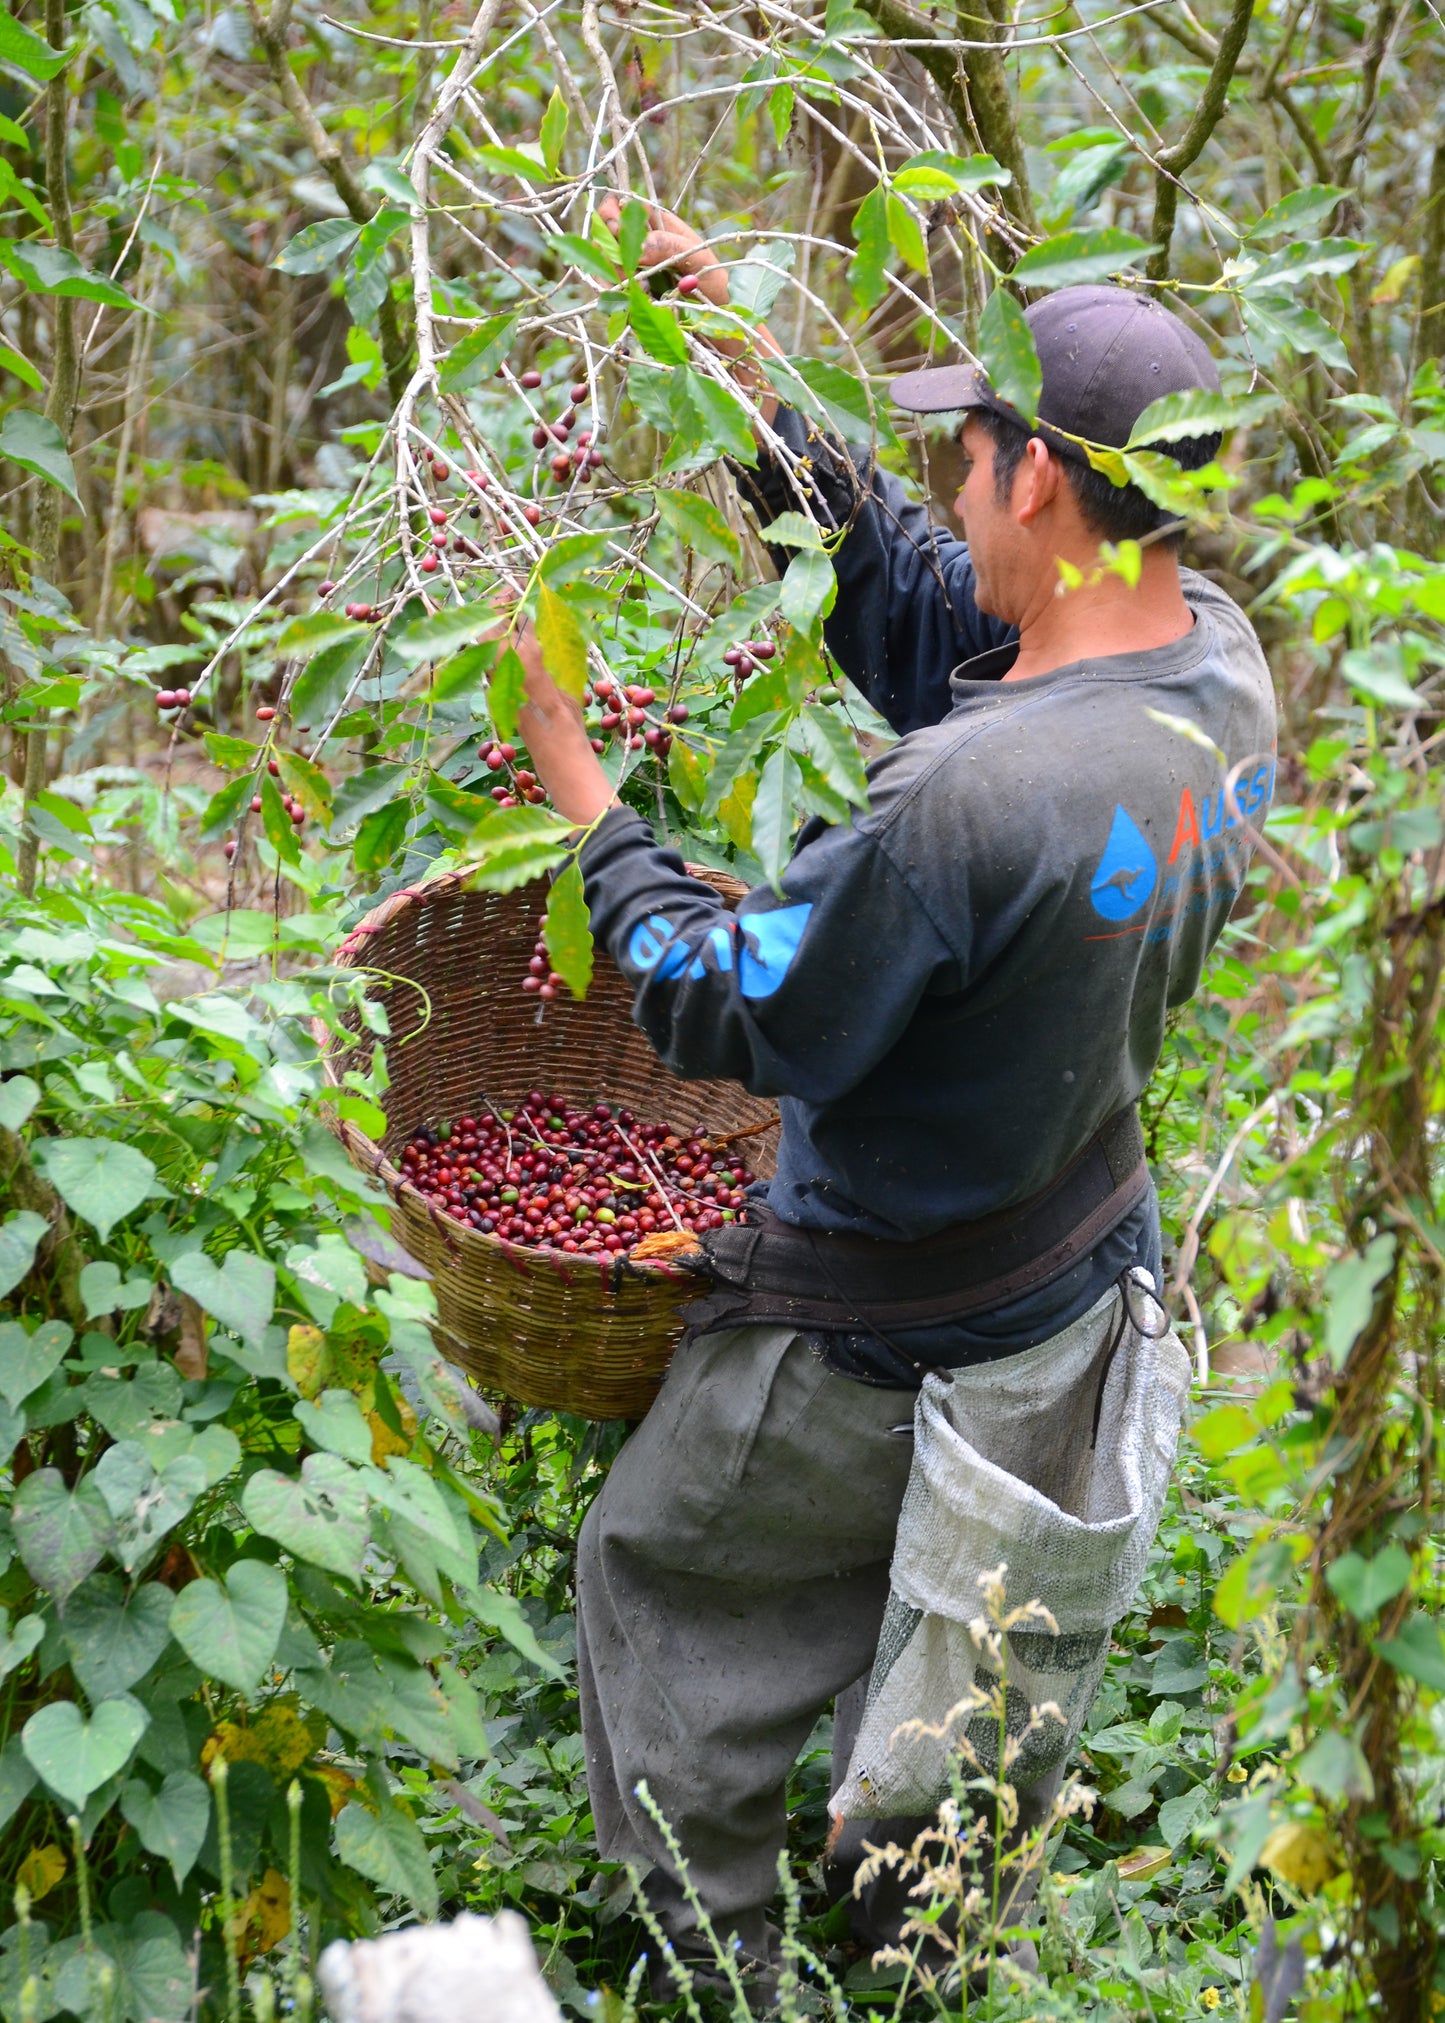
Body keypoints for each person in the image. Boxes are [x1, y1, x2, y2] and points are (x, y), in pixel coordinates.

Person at [513, 206, 1277, 1997]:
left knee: (654, 1568)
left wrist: (588, 811)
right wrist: (747, 391)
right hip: (1068, 1264)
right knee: (949, 1674)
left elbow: (730, 1005)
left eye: (964, 448)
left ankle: (713, 1964)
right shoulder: (1209, 676)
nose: (944, 479)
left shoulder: (959, 803)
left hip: (882, 1317)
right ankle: (914, 1952)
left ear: (1033, 485)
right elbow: (938, 620)